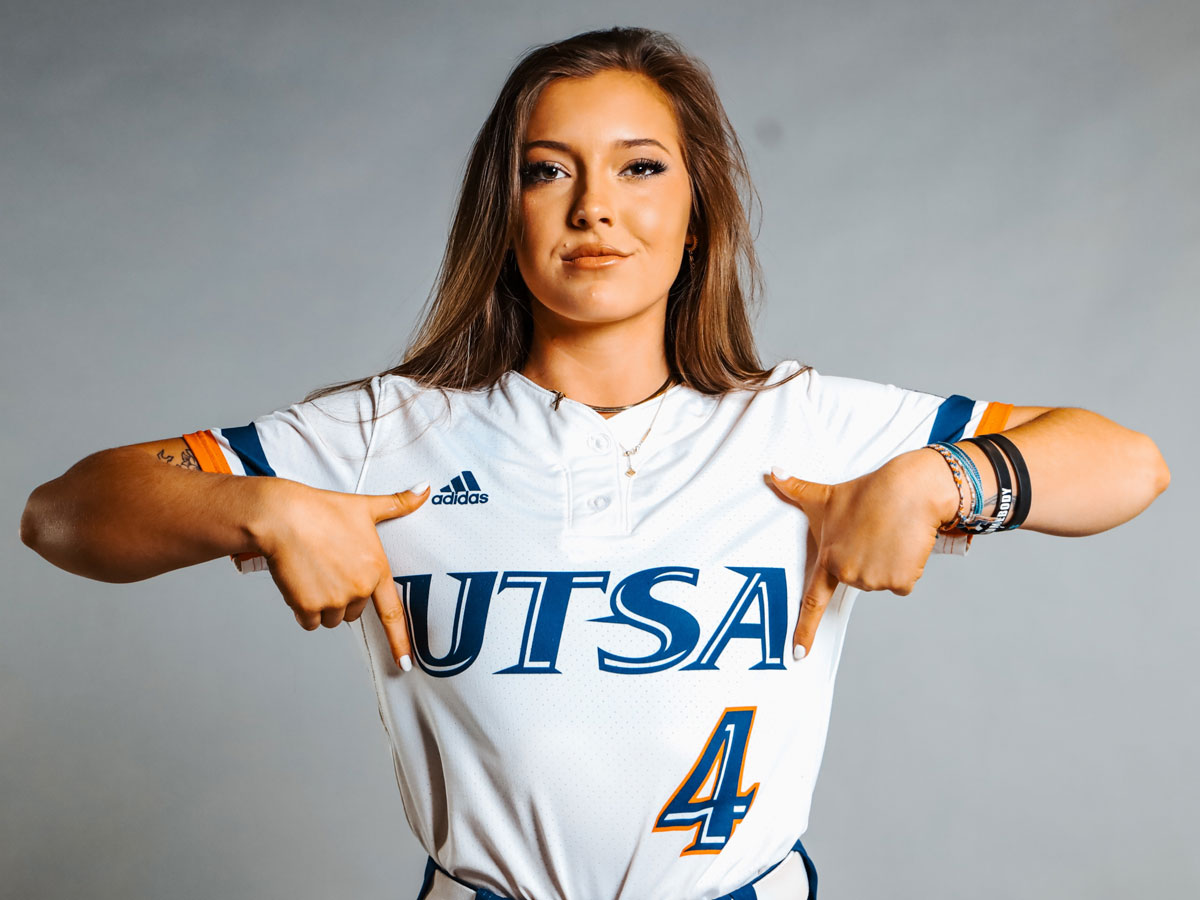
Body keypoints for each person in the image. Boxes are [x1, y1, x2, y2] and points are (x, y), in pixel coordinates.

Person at [19, 25, 1169, 900]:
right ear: (502, 212)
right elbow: (64, 515)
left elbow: (1125, 463)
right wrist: (255, 508)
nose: (593, 210)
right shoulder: (388, 433)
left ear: (699, 211)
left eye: (639, 169)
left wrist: (937, 479)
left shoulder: (806, 425)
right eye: (547, 170)